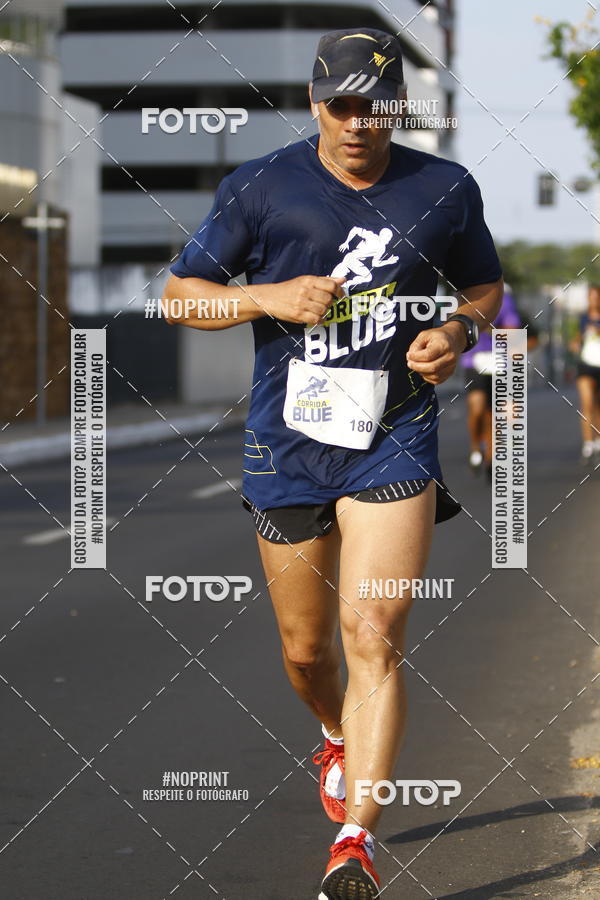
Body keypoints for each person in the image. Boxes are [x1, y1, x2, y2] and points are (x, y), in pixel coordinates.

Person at [163, 28, 503, 900]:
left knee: (374, 636)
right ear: (316, 103)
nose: (358, 122)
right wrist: (264, 296)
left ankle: (355, 841)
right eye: (342, 104)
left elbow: (486, 289)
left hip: (395, 432)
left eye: (376, 105)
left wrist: (458, 335)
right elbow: (176, 296)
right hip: (289, 443)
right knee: (309, 652)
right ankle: (334, 732)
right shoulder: (262, 187)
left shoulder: (444, 188)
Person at [460, 285, 520, 480]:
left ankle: (491, 458)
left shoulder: (505, 299)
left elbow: (512, 330)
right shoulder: (464, 295)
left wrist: (491, 328)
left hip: (498, 361)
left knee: (494, 413)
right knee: (477, 407)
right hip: (473, 361)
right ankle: (476, 447)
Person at [573, 284, 600, 463]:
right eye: (591, 296)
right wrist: (577, 342)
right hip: (586, 364)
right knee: (587, 403)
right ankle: (588, 443)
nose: (594, 300)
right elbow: (576, 339)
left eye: (597, 296)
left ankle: (597, 438)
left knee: (598, 406)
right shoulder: (583, 318)